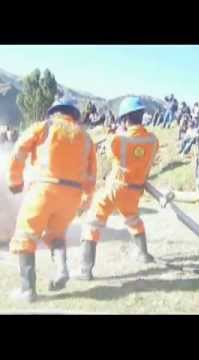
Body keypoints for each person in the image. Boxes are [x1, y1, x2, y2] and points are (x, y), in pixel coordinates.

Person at [7, 98, 97, 302]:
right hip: (72, 196)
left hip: (44, 190)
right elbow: (91, 175)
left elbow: (19, 151)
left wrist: (14, 181)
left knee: (26, 235)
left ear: (54, 112)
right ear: (74, 114)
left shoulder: (43, 127)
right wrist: (85, 200)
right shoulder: (86, 138)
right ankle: (61, 269)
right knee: (56, 235)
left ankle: (27, 291)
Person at [75, 97, 159, 281]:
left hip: (115, 188)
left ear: (124, 119)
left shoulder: (118, 139)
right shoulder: (153, 140)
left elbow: (109, 149)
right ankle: (143, 254)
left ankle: (85, 270)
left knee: (92, 222)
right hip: (135, 191)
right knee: (134, 220)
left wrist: (116, 131)